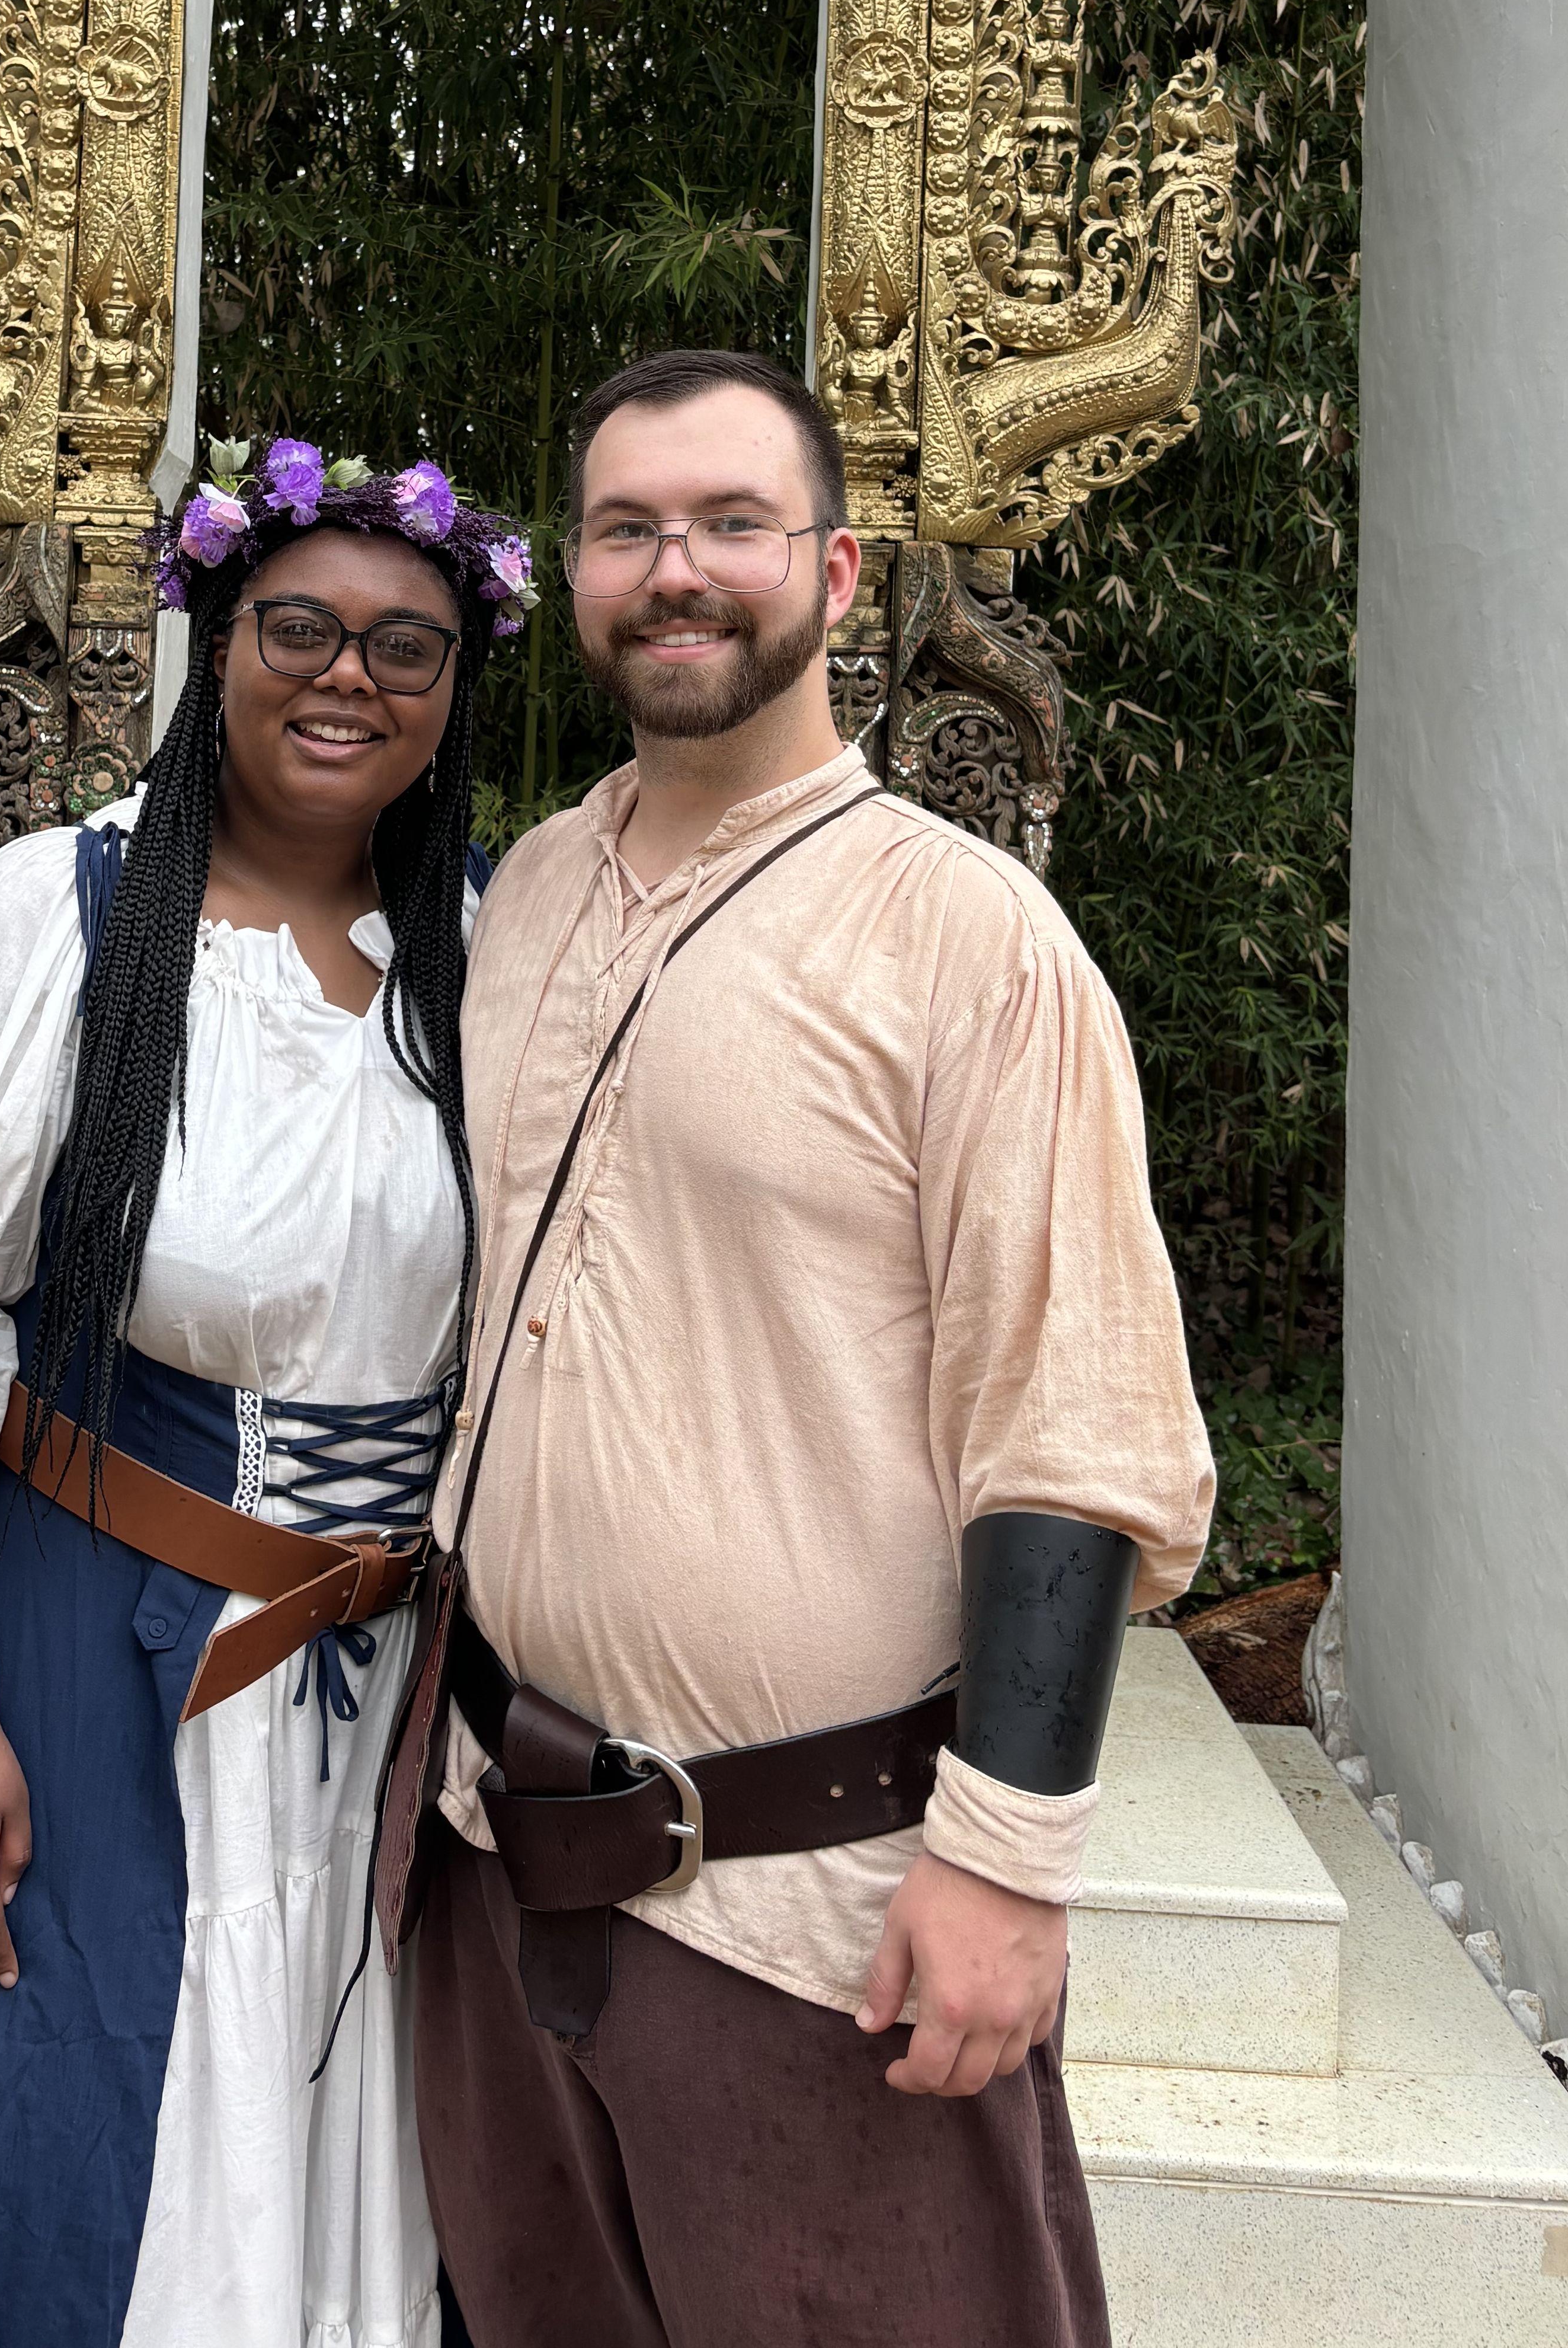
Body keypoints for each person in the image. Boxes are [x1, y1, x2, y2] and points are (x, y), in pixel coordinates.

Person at [391, 349, 1216, 2348]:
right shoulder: (530, 892)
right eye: (626, 529)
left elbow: (1072, 1427)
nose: (676, 570)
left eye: (731, 524)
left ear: (836, 573)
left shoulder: (968, 937)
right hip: (495, 1855)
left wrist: (1007, 1863)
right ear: (575, 575)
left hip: (807, 1906)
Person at [0, 433, 537, 2348]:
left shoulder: (493, 952)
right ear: (217, 641)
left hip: (381, 1711)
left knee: (351, 2158)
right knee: (43, 2150)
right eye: (299, 628)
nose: (348, 678)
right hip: (89, 1659)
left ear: (454, 691)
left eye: (407, 648)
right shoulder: (65, 916)